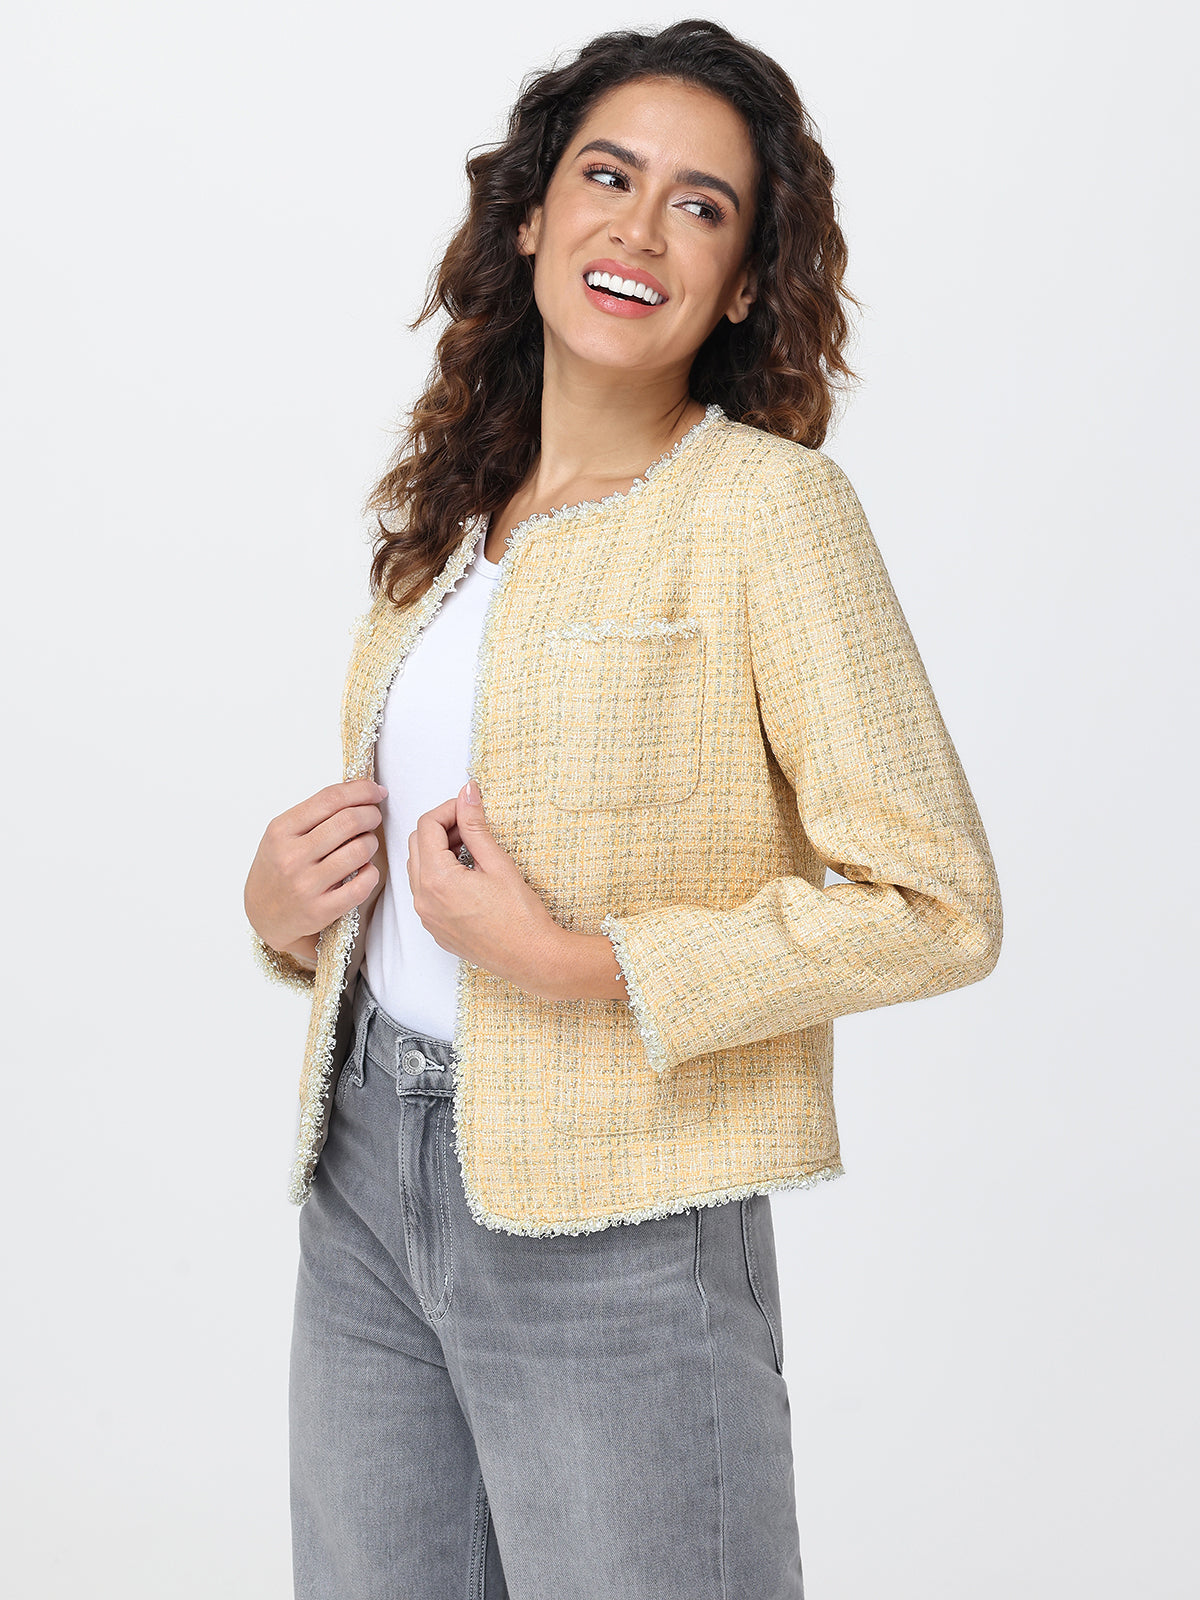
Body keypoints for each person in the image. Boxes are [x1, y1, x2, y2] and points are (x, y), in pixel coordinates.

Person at [244, 19, 1003, 1600]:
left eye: (702, 205)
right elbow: (407, 863)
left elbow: (936, 903)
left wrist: (586, 963)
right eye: (606, 174)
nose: (638, 229)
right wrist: (284, 915)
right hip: (368, 1177)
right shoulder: (452, 505)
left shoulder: (771, 514)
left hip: (622, 1213)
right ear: (530, 213)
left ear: (740, 285)